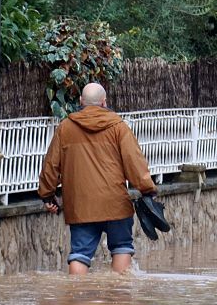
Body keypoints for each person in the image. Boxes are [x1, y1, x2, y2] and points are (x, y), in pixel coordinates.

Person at [38, 82, 157, 274]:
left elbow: (51, 165)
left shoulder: (66, 128)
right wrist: (148, 190)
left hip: (80, 204)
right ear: (104, 102)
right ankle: (118, 298)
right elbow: (134, 162)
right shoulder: (118, 127)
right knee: (122, 247)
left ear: (80, 101)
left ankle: (76, 298)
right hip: (115, 202)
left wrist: (47, 195)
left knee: (79, 254)